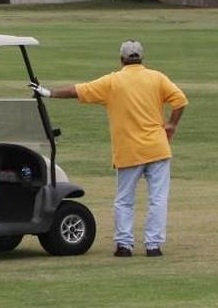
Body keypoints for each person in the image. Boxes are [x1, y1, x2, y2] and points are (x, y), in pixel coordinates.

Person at [29, 39, 188, 258]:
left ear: (122, 59)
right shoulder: (157, 78)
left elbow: (78, 90)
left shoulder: (113, 81)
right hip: (157, 148)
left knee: (124, 200)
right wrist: (172, 124)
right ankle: (153, 246)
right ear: (141, 58)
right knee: (158, 199)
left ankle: (124, 245)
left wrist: (49, 92)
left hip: (129, 150)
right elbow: (180, 101)